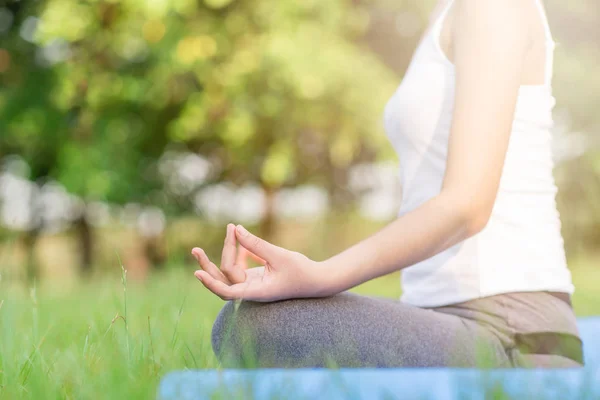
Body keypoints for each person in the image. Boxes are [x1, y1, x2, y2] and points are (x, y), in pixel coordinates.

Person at [191, 0, 584, 368]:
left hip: (514, 331)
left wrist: (322, 275)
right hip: (445, 317)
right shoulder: (444, 13)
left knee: (253, 328)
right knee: (251, 320)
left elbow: (467, 205)